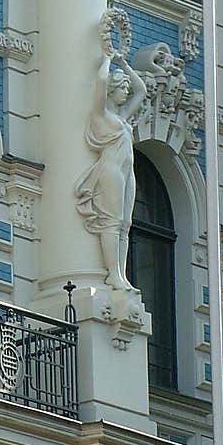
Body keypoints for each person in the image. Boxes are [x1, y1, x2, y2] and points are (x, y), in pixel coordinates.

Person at [75, 46, 147, 291]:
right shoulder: (101, 114)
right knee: (112, 222)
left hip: (127, 173)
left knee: (125, 224)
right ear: (112, 90)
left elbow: (142, 91)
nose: (127, 92)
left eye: (126, 88)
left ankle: (121, 275)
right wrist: (106, 57)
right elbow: (100, 83)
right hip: (111, 172)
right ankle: (112, 274)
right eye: (122, 88)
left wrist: (124, 63)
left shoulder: (124, 117)